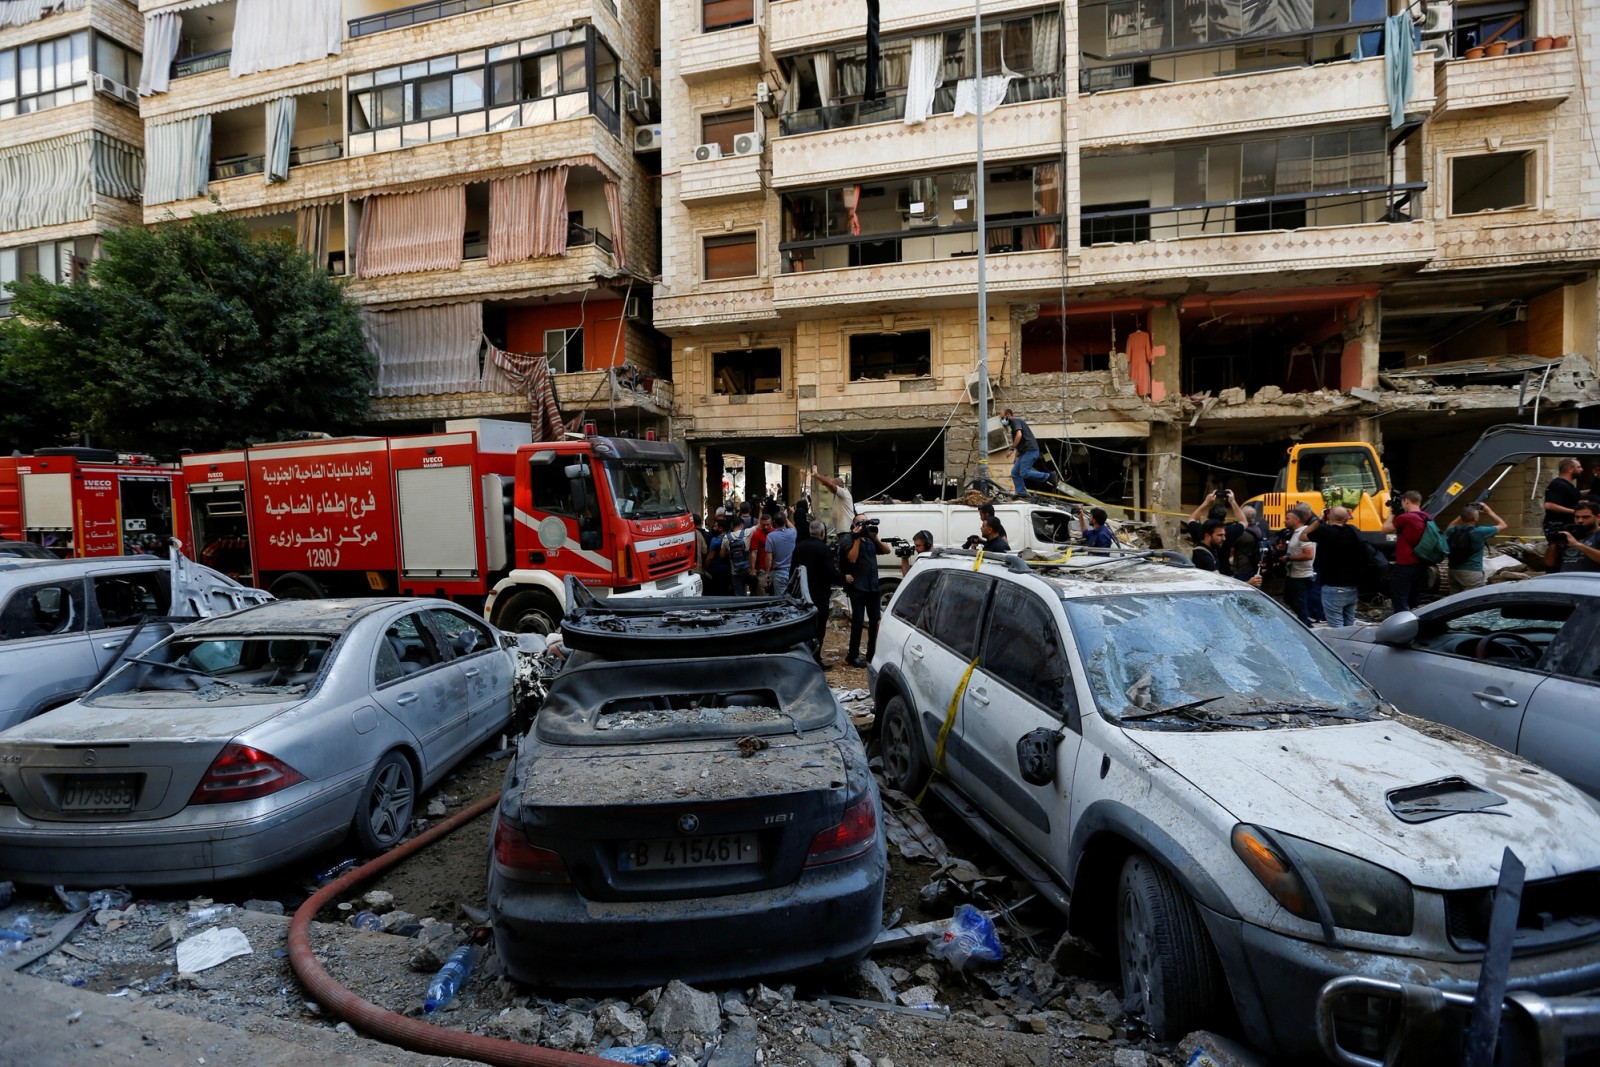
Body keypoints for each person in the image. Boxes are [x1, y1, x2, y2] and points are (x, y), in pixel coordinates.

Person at [1304, 506, 1368, 627]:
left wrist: (1320, 520)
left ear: (1329, 516)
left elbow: (1303, 535)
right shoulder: (1353, 531)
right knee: (1349, 624)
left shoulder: (1325, 531)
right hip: (1352, 586)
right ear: (1347, 518)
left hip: (1333, 586)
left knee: (1336, 627)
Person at [792, 520, 842, 663]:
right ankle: (816, 657)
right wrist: (843, 578)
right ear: (822, 532)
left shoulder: (799, 546)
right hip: (820, 593)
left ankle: (804, 656)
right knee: (819, 627)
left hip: (803, 593)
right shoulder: (823, 549)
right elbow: (830, 571)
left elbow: (793, 570)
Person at [840, 514, 887, 667]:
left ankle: (872, 653)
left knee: (875, 620)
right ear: (855, 525)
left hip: (873, 586)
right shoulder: (849, 538)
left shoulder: (870, 539)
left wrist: (875, 538)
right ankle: (852, 655)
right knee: (858, 621)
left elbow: (887, 551)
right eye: (863, 522)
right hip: (858, 587)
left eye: (867, 522)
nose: (866, 525)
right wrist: (857, 538)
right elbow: (852, 558)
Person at [1382, 490, 1431, 613]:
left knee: (1399, 598)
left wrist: (1391, 514)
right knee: (1414, 598)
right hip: (1421, 563)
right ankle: (1416, 618)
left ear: (1406, 501)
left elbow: (1385, 530)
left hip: (1406, 564)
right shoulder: (1426, 517)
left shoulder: (1405, 518)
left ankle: (1402, 621)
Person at [1445, 502, 1506, 592]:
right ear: (1475, 518)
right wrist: (1489, 511)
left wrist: (1465, 512)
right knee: (1473, 598)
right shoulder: (1479, 532)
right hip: (1472, 571)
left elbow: (1451, 525)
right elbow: (1503, 525)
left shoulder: (1452, 530)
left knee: (1455, 598)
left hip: (1453, 570)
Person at [1001, 408, 1052, 498]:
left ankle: (1048, 476)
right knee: (1015, 472)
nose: (1002, 420)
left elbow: (1019, 435)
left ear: (1008, 415)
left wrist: (1011, 449)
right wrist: (1017, 455)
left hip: (1030, 451)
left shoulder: (1015, 421)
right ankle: (1021, 493)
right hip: (1023, 453)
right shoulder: (1013, 426)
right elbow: (1020, 442)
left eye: (1002, 417)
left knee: (1024, 472)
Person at [1280, 506, 1316, 625]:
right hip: (1293, 573)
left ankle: (1305, 625)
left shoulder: (1303, 534)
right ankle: (1305, 622)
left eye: (1287, 518)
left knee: (1300, 603)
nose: (1285, 521)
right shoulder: (1295, 533)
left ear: (1296, 520)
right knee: (1288, 599)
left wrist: (1288, 558)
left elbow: (1309, 554)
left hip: (1301, 575)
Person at [1545, 500, 1600, 572]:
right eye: (1577, 517)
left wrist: (1577, 544)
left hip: (1591, 578)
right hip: (1568, 577)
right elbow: (1550, 563)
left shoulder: (1597, 535)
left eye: (1585, 517)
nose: (1580, 521)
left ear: (1598, 517)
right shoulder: (1570, 534)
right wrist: (1554, 543)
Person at [1543, 458, 1584, 534]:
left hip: (1567, 526)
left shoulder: (1567, 485)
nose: (1581, 469)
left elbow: (1572, 494)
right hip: (1559, 527)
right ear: (1570, 469)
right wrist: (1576, 512)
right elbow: (1549, 505)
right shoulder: (1558, 484)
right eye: (1578, 467)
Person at [811, 467, 854, 536]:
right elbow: (829, 485)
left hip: (845, 532)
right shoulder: (838, 496)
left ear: (837, 486)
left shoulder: (844, 493)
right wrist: (823, 482)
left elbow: (830, 485)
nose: (829, 489)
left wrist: (817, 475)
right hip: (842, 532)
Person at [723, 515, 758, 595]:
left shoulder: (726, 537)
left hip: (735, 571)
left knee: (739, 594)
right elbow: (759, 525)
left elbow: (722, 554)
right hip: (748, 569)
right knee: (753, 591)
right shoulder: (747, 532)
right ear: (742, 525)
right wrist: (760, 511)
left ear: (732, 526)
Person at [766, 511, 797, 591]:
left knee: (780, 597)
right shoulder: (792, 532)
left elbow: (769, 558)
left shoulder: (770, 536)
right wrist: (786, 518)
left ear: (774, 522)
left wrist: (767, 572)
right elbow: (793, 527)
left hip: (779, 572)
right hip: (792, 571)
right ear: (785, 521)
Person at [704, 516, 732, 596]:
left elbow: (710, 557)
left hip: (717, 571)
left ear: (721, 528)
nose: (714, 528)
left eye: (715, 526)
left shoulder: (715, 540)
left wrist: (704, 567)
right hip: (729, 570)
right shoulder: (731, 538)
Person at [749, 512, 773, 594]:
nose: (766, 527)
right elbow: (754, 552)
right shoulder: (757, 534)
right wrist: (753, 569)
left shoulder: (775, 533)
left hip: (775, 569)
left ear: (771, 523)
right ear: (760, 524)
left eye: (768, 525)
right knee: (763, 593)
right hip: (762, 569)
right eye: (764, 525)